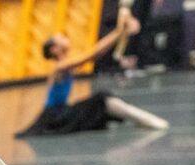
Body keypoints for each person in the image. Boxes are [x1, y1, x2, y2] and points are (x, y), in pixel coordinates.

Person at [16, 13, 169, 137]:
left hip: (62, 110)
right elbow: (91, 55)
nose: (65, 38)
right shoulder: (60, 66)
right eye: (60, 39)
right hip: (56, 115)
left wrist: (121, 33)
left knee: (103, 100)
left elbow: (97, 53)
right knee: (101, 99)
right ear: (54, 50)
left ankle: (141, 119)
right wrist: (119, 32)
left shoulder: (66, 64)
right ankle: (145, 120)